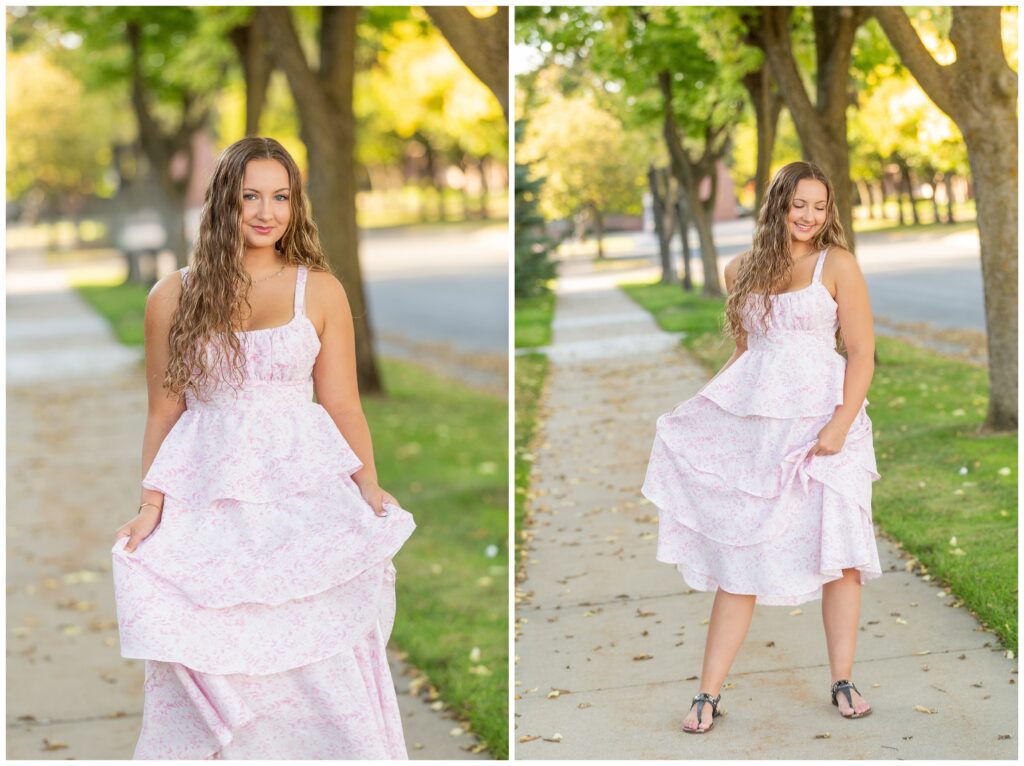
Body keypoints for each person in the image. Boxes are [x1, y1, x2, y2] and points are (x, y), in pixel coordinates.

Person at [111, 136, 416, 759]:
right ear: (223, 200)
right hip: (207, 489)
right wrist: (151, 504)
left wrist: (367, 486)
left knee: (313, 636)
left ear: (295, 205)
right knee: (216, 636)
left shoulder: (320, 290)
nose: (265, 211)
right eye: (250, 195)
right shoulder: (171, 296)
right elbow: (165, 410)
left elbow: (342, 404)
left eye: (280, 197)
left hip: (299, 489)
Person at [641, 161, 880, 733]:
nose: (810, 216)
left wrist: (841, 426)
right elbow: (748, 357)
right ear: (778, 203)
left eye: (820, 206)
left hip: (827, 426)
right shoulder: (740, 270)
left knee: (839, 559)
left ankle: (843, 679)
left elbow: (863, 354)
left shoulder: (837, 265)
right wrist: (704, 410)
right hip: (763, 437)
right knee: (739, 560)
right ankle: (707, 693)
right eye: (800, 204)